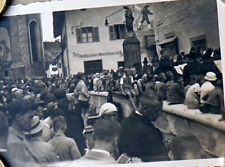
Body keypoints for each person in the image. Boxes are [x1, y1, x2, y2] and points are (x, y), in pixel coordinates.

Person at [118, 87, 169, 162]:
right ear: (145, 109)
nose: (159, 114)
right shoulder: (150, 132)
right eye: (157, 110)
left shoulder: (124, 122)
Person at [7, 99, 40, 167]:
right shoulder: (13, 142)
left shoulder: (18, 137)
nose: (32, 121)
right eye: (29, 117)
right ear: (18, 117)